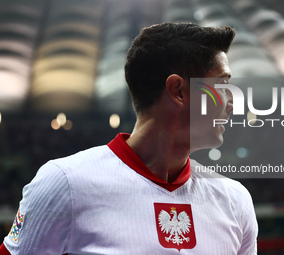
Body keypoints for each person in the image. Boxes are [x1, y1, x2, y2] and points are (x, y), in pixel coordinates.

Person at [0, 22, 258, 254]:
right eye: (222, 86)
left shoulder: (235, 201)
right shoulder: (64, 183)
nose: (232, 102)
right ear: (178, 91)